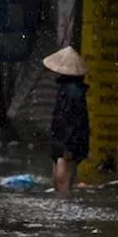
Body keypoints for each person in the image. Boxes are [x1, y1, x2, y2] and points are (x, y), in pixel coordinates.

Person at [44, 46, 89, 197]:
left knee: (62, 178)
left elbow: (70, 119)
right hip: (67, 138)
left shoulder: (72, 91)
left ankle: (63, 202)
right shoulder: (71, 88)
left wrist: (66, 144)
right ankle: (64, 201)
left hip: (67, 139)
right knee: (63, 176)